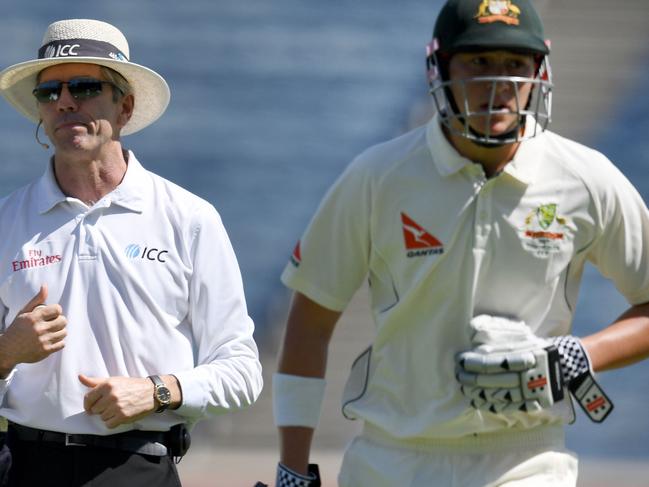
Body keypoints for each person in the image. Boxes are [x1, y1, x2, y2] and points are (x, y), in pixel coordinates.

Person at [272, 0, 649, 486]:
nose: (499, 84)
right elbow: (311, 320)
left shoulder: (584, 176)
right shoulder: (378, 176)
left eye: (515, 65)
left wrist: (574, 357)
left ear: (539, 72)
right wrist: (292, 468)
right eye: (479, 62)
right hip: (392, 457)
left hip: (527, 460)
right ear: (440, 68)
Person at [0, 19, 263, 487]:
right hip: (21, 467)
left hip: (139, 468)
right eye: (49, 93)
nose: (64, 102)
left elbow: (242, 370)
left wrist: (158, 392)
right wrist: (4, 355)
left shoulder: (188, 217)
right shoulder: (5, 219)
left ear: (125, 106)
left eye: (84, 86)